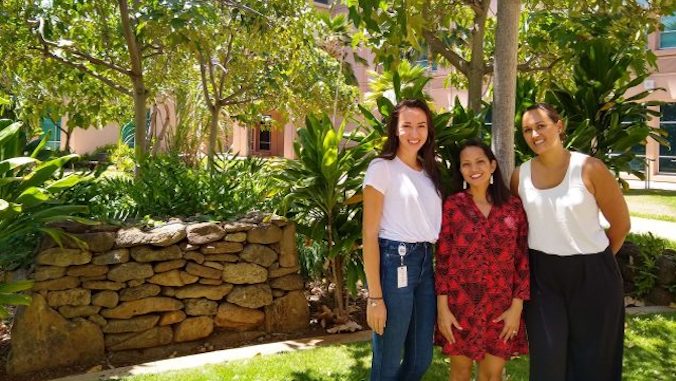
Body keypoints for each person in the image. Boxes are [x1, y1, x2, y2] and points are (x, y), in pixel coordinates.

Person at [511, 103, 630, 381]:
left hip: (594, 275)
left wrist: (596, 262)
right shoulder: (520, 175)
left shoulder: (590, 168)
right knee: (547, 362)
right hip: (543, 279)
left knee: (594, 363)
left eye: (541, 125)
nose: (534, 134)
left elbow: (621, 225)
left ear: (559, 125)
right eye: (527, 130)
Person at [435, 139, 529, 381]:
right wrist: (443, 309)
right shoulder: (453, 206)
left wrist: (516, 308)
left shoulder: (513, 207)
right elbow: (443, 259)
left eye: (480, 162)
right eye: (466, 164)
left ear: (493, 166)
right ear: (460, 170)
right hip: (460, 306)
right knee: (460, 372)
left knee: (491, 374)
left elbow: (522, 259)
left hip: (501, 308)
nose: (473, 168)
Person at [362, 99, 442, 381]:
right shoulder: (382, 168)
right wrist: (375, 297)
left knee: (421, 359)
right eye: (406, 125)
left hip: (424, 264)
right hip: (395, 261)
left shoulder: (430, 171)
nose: (414, 133)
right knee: (388, 361)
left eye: (421, 126)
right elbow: (369, 234)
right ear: (395, 130)